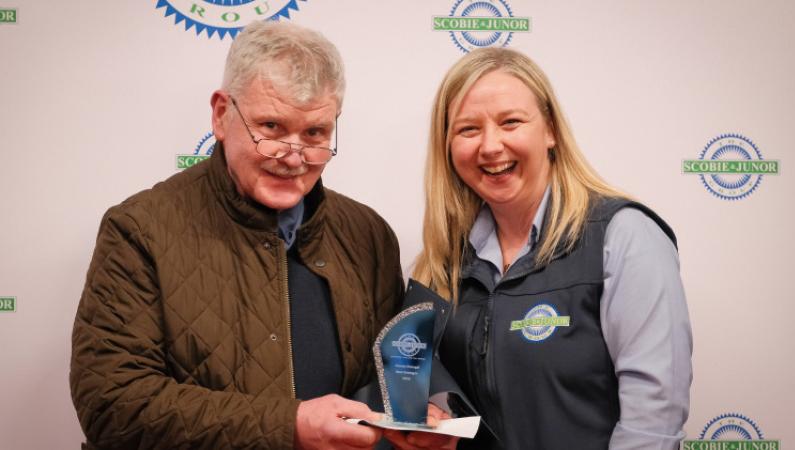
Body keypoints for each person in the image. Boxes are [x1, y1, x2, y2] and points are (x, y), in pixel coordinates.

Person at [70, 21, 404, 450]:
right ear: (221, 115)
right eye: (271, 127)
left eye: (315, 133)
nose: (294, 157)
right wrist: (289, 425)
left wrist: (412, 418)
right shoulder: (139, 230)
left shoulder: (369, 234)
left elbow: (387, 384)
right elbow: (113, 406)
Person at [407, 47, 692, 449]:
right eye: (468, 129)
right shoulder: (444, 261)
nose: (490, 146)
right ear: (448, 147)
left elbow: (653, 422)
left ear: (550, 130)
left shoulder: (624, 236)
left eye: (511, 122)